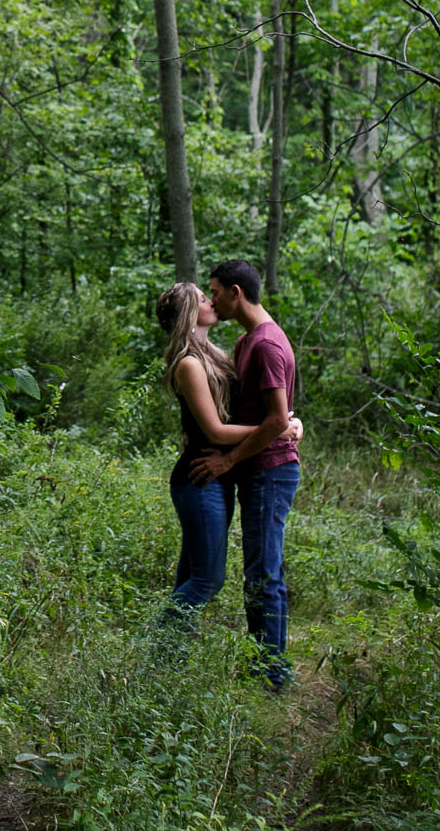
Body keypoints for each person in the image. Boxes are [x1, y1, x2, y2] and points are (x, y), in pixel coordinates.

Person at [156, 281, 301, 633]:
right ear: (191, 314)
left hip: (220, 476)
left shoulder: (216, 354)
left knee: (191, 575)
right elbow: (217, 431)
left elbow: (250, 413)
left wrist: (287, 421)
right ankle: (159, 651)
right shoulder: (189, 364)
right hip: (200, 476)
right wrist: (278, 428)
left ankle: (166, 665)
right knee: (207, 580)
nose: (212, 302)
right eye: (204, 299)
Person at [183, 259, 300, 690]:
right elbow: (276, 416)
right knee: (257, 572)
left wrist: (228, 461)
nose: (210, 299)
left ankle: (273, 677)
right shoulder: (247, 341)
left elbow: (274, 421)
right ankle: (262, 668)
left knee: (264, 575)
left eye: (214, 291)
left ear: (236, 292)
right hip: (258, 468)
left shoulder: (267, 344)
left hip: (271, 472)